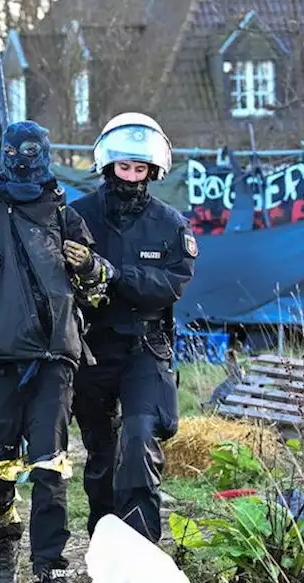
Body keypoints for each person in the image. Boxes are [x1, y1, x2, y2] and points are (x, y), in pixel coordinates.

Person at [0, 120, 112, 583]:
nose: (26, 159)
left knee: (51, 463)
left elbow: (98, 292)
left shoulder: (65, 216)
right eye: (17, 151)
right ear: (4, 154)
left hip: (55, 356)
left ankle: (49, 565)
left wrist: (91, 267)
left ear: (47, 153)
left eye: (35, 150)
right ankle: (2, 534)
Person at [70, 113, 197, 544]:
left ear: (152, 172)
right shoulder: (77, 217)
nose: (130, 176)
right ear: (108, 166)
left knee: (140, 437)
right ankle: (106, 545)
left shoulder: (169, 224)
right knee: (102, 453)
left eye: (139, 169)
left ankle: (141, 548)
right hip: (91, 347)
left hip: (145, 346)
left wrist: (111, 274)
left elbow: (171, 285)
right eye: (123, 167)